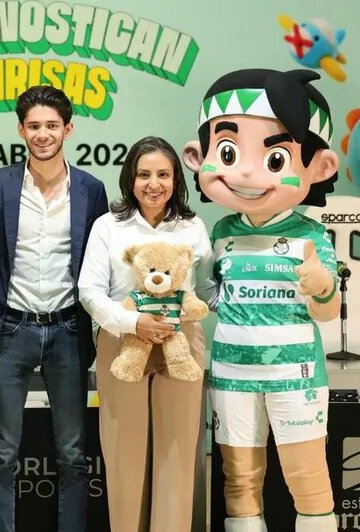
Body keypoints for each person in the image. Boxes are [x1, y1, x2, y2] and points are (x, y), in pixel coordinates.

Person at [181, 68, 342, 532]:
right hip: (232, 372)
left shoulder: (312, 234)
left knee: (307, 476)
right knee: (239, 480)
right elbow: (212, 295)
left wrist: (321, 285)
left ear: (320, 167)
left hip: (296, 374)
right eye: (228, 153)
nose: (246, 173)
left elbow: (328, 310)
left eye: (275, 158)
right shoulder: (220, 232)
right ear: (199, 157)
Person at [0, 85, 108, 532]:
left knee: (73, 454)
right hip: (11, 328)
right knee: (1, 454)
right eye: (34, 126)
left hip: (68, 329)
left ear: (68, 129)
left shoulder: (90, 189)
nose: (43, 134)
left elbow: (97, 262)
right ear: (20, 130)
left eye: (52, 125)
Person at [77, 136, 216, 531]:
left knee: (177, 453)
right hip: (123, 342)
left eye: (163, 175)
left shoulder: (192, 227)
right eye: (143, 175)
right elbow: (89, 290)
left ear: (176, 179)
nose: (153, 184)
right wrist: (132, 323)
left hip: (180, 342)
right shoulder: (108, 226)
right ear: (130, 179)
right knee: (124, 453)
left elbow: (206, 289)